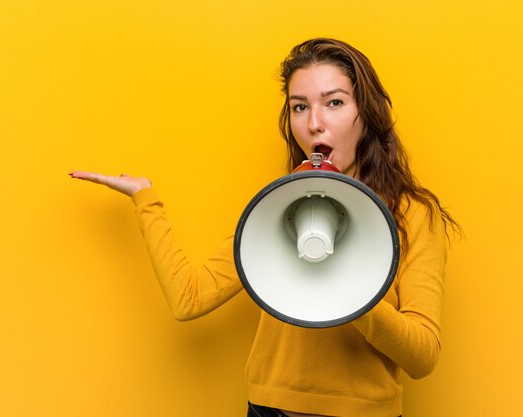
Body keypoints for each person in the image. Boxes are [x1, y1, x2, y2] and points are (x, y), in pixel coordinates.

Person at [70, 38, 460, 417]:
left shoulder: (412, 214)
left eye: (335, 103)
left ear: (367, 114)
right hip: (267, 411)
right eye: (299, 107)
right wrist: (145, 200)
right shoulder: (276, 208)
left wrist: (350, 293)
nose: (314, 124)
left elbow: (422, 357)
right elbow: (189, 298)